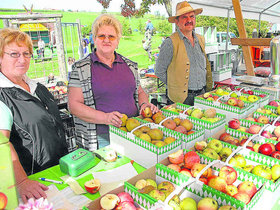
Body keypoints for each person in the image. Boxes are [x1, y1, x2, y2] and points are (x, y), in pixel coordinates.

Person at [68, 14, 159, 151]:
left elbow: (139, 91)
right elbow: (74, 106)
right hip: (102, 138)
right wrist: (105, 118)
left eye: (111, 36)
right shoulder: (81, 69)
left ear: (118, 41)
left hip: (134, 131)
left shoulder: (129, 65)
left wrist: (144, 104)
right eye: (101, 36)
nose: (106, 40)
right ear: (94, 39)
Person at [0, 28, 68, 203]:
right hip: (32, 183)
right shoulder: (2, 96)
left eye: (26, 53)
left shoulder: (38, 87)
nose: (22, 59)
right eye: (14, 54)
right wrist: (22, 181)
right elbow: (2, 145)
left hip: (56, 171)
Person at [155, 1, 212, 106]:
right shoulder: (170, 42)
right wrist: (176, 86)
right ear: (177, 21)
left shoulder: (200, 39)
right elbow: (159, 71)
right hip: (182, 98)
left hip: (202, 94)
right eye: (184, 17)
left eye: (192, 16)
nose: (189, 20)